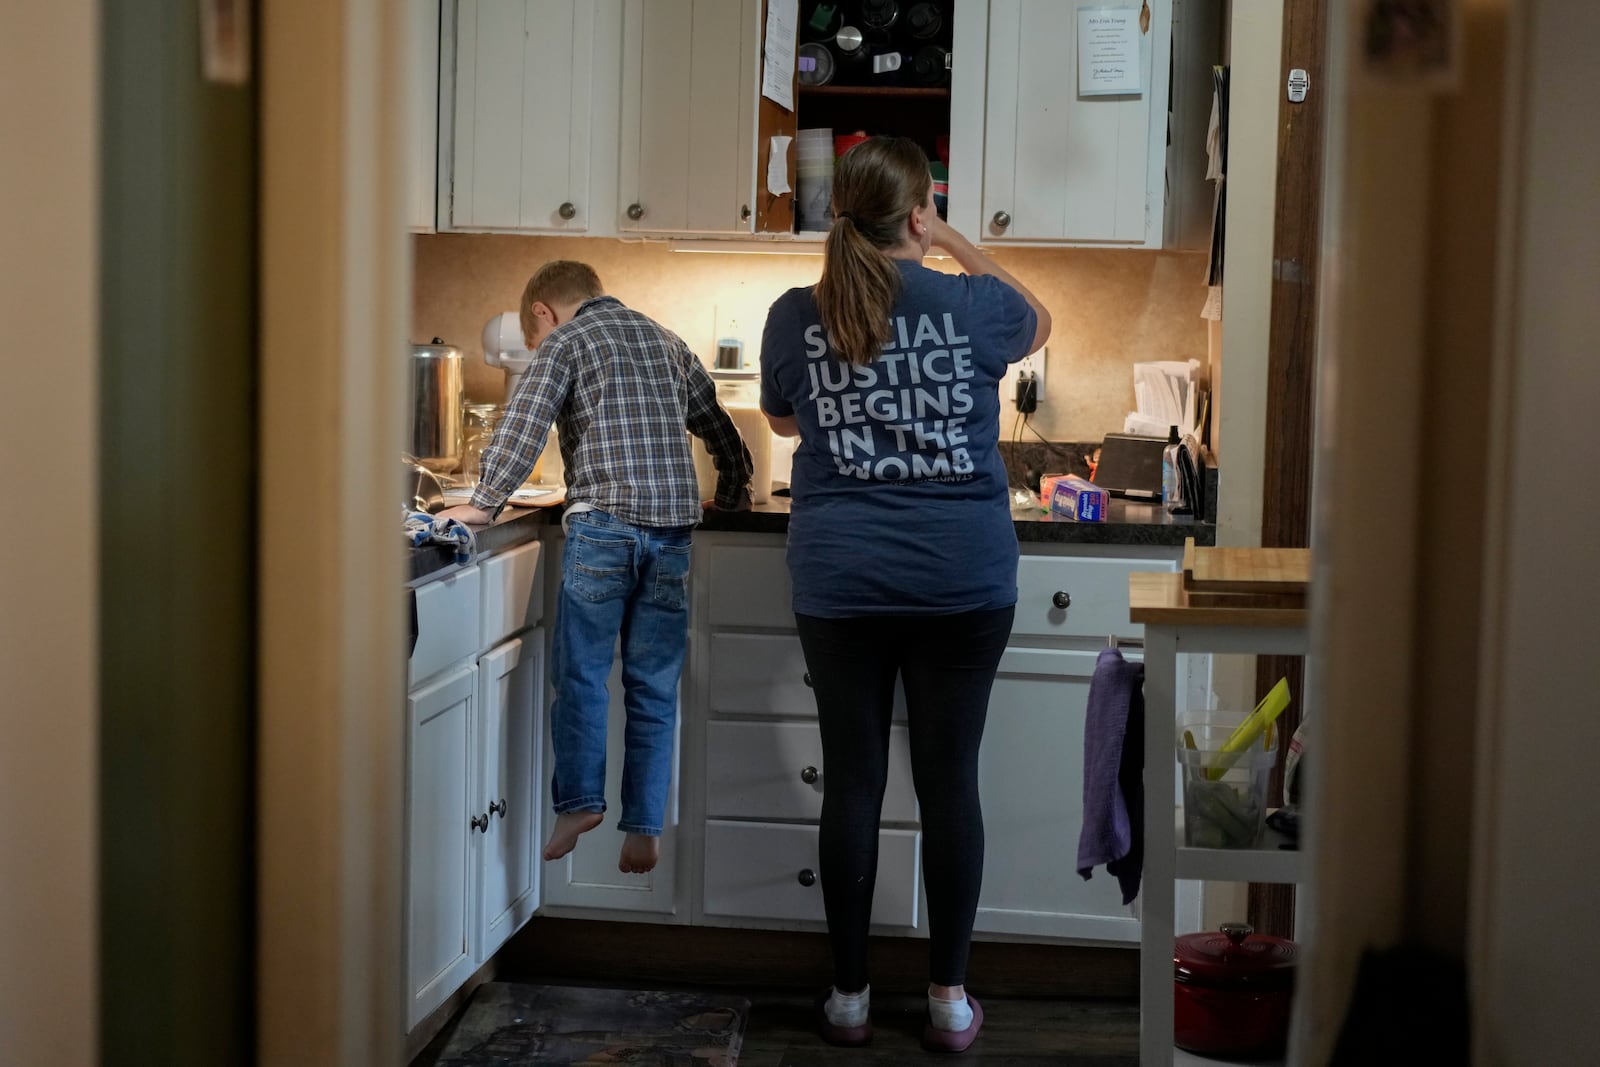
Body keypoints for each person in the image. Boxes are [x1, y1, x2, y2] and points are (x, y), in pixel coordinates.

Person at [758, 137, 1051, 1054]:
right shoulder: (967, 303)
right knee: (947, 782)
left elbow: (780, 416)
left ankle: (848, 999)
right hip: (960, 577)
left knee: (852, 781)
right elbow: (1037, 319)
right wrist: (955, 240)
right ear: (917, 211)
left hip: (842, 578)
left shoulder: (794, 312)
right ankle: (948, 1000)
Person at [438, 260, 753, 876]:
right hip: (669, 535)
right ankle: (644, 825)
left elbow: (524, 426)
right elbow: (720, 427)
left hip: (603, 526)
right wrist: (736, 492)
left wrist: (483, 504)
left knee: (583, 674)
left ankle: (580, 803)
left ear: (541, 314)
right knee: (654, 685)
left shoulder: (565, 341)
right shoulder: (667, 340)